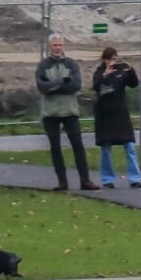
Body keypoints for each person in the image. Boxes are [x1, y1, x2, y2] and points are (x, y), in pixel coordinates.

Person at [35, 34, 98, 191]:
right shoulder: (43, 65)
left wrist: (53, 86)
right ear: (50, 46)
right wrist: (63, 81)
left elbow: (75, 85)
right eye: (55, 45)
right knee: (55, 147)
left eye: (60, 45)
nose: (58, 48)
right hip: (50, 113)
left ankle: (85, 180)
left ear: (64, 46)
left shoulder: (71, 64)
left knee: (78, 145)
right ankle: (62, 181)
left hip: (70, 111)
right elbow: (42, 87)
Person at [91, 47, 141, 189]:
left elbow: (133, 83)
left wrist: (130, 70)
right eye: (109, 59)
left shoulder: (121, 72)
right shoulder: (99, 72)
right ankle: (107, 179)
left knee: (130, 146)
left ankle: (135, 178)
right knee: (106, 149)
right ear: (104, 60)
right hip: (105, 116)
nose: (112, 62)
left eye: (114, 59)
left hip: (121, 115)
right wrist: (105, 75)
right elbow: (95, 86)